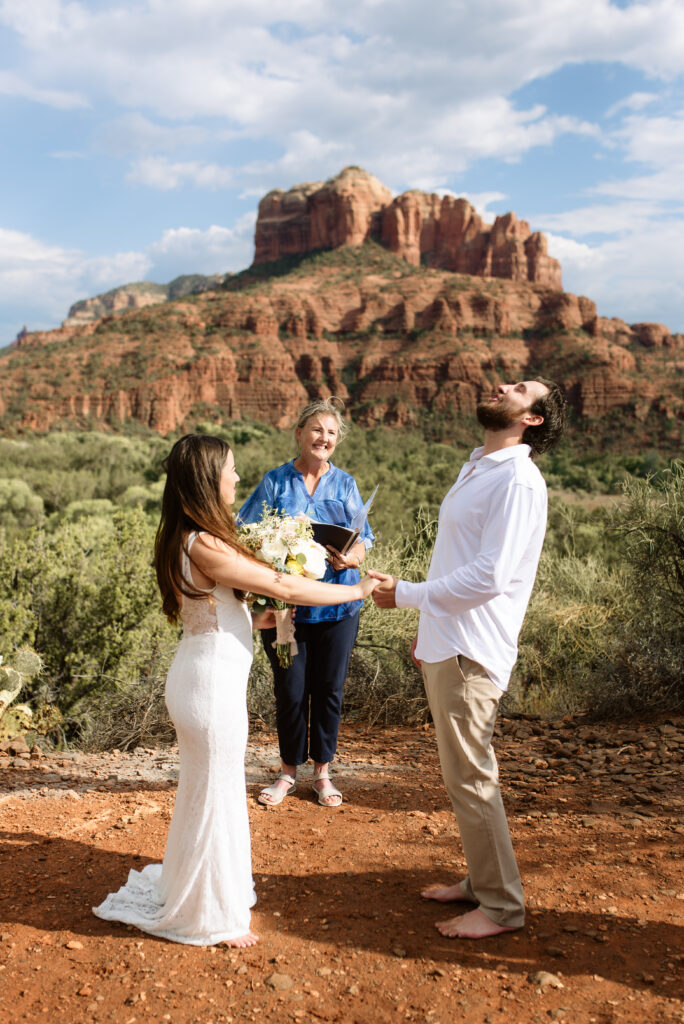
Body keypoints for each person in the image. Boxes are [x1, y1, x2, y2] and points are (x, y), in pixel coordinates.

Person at [93, 434, 377, 947]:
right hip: (209, 686)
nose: (238, 478)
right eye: (230, 468)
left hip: (206, 674)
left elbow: (222, 609)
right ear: (207, 477)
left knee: (206, 791)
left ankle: (200, 890)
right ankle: (209, 913)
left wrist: (259, 618)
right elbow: (284, 586)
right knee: (215, 795)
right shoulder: (202, 542)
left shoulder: (192, 536)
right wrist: (355, 589)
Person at [369, 378, 567, 940]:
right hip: (448, 642)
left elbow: (490, 576)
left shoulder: (519, 482)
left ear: (532, 418)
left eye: (519, 388)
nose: (503, 385)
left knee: (474, 778)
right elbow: (454, 559)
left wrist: (406, 594)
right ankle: (482, 883)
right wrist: (426, 629)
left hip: (473, 649)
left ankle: (502, 907)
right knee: (462, 778)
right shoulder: (480, 465)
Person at [238, 398, 373, 808]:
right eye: (317, 430)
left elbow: (363, 539)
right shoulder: (275, 482)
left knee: (329, 689)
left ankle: (323, 774)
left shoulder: (345, 483)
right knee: (291, 689)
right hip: (285, 610)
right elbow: (248, 531)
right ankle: (287, 773)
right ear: (299, 433)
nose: (324, 438)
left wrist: (352, 558)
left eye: (331, 433)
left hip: (338, 606)